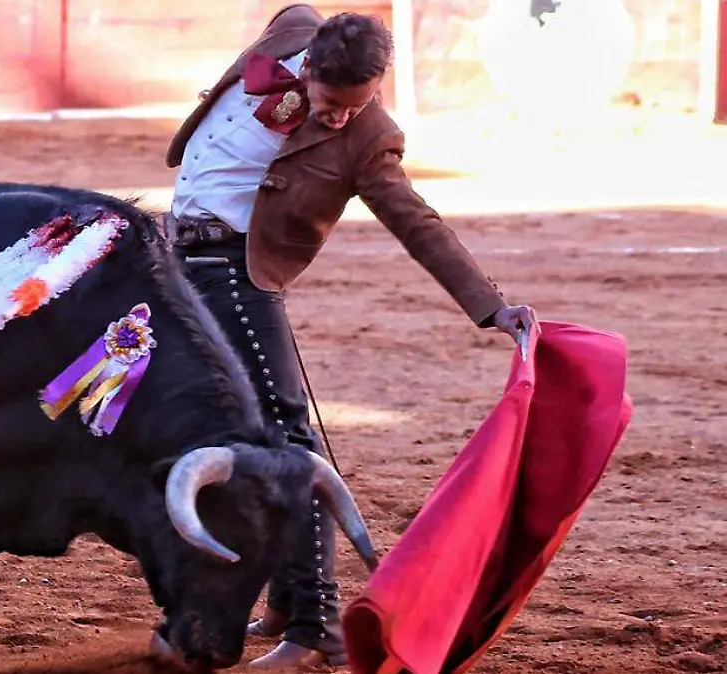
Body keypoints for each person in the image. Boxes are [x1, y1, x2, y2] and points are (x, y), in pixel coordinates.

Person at [162, 4, 537, 669]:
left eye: (355, 106)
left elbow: (417, 223)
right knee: (238, 434)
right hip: (176, 262)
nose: (340, 117)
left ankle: (315, 625)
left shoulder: (370, 136)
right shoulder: (289, 33)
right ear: (307, 65)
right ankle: (283, 600)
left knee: (284, 439)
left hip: (237, 275)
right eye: (331, 103)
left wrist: (491, 306)